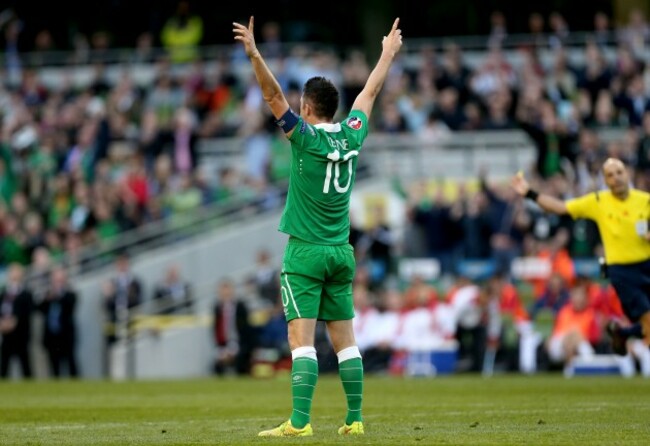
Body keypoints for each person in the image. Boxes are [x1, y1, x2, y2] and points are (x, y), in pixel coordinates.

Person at [233, 16, 403, 437]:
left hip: (306, 251)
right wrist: (387, 54)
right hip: (341, 252)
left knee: (301, 340)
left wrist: (255, 54)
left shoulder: (303, 136)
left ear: (307, 108)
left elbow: (271, 94)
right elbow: (370, 91)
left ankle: (300, 422)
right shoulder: (352, 135)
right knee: (346, 341)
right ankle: (355, 418)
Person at [511, 157, 650, 356]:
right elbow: (559, 207)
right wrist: (529, 193)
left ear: (627, 173)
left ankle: (623, 333)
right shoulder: (599, 201)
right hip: (622, 270)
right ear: (605, 181)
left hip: (646, 264)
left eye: (619, 172)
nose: (616, 178)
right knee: (648, 322)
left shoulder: (644, 200)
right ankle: (628, 336)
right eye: (610, 175)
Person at [38, 266, 79, 378]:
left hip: (66, 334)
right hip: (52, 335)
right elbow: (39, 308)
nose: (58, 281)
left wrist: (58, 295)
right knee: (54, 364)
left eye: (60, 278)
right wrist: (48, 298)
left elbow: (71, 306)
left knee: (70, 361)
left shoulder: (69, 293)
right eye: (56, 279)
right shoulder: (47, 294)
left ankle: (76, 386)